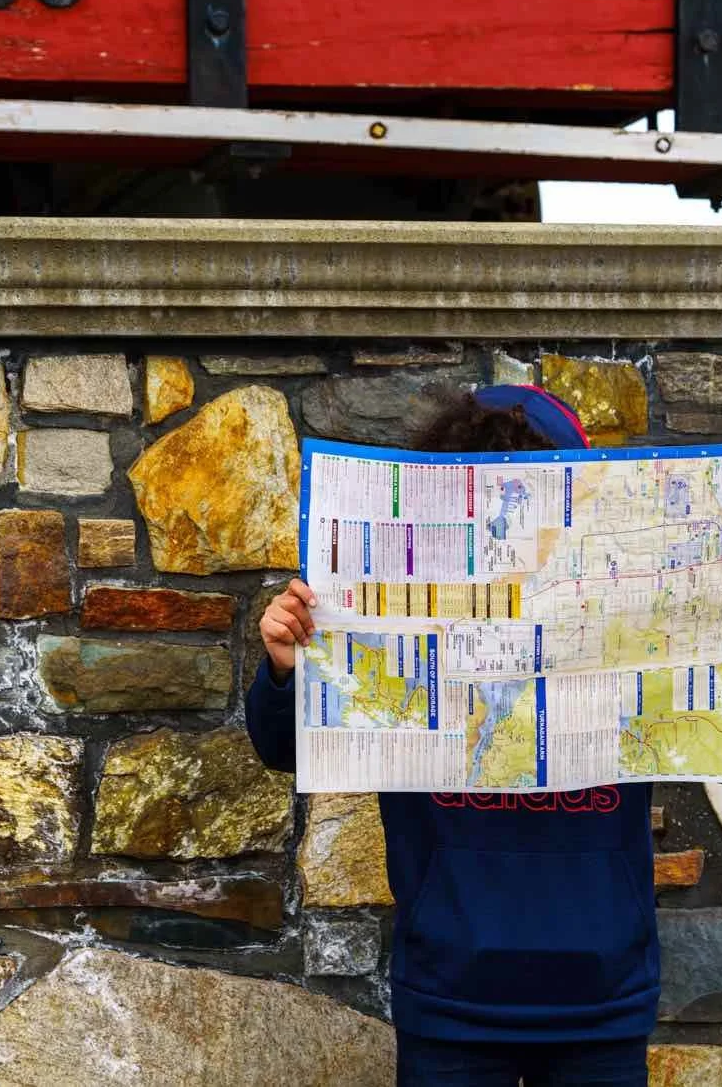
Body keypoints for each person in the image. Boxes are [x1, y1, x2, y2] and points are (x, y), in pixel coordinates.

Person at [246, 385, 658, 1087]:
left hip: (600, 997)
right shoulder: (396, 613)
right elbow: (288, 749)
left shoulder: (632, 608)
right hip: (453, 995)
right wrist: (288, 670)